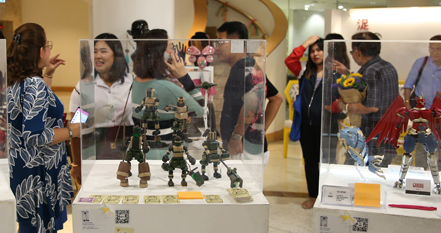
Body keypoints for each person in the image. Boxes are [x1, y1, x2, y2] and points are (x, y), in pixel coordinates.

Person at [7, 23, 79, 233]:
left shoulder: (23, 81)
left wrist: (47, 73)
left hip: (24, 167)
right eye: (47, 45)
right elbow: (35, 136)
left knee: (29, 231)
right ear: (40, 50)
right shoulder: (33, 85)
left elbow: (39, 110)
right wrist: (73, 130)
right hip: (35, 171)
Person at [69, 34, 135, 184]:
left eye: (103, 51)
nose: (98, 56)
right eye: (95, 51)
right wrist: (77, 164)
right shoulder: (84, 88)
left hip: (128, 154)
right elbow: (76, 129)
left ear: (116, 54)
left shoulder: (132, 83)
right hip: (94, 153)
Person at [285, 36, 341, 209]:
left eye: (319, 50)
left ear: (327, 52)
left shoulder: (336, 72)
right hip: (306, 124)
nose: (315, 54)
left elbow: (343, 97)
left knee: (327, 162)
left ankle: (328, 196)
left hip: (327, 124)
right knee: (309, 161)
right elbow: (290, 60)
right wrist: (306, 43)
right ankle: (314, 196)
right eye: (312, 51)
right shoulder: (304, 71)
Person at [214, 21, 282, 161]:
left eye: (221, 42)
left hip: (243, 149)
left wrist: (236, 137)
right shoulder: (250, 66)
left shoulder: (241, 70)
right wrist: (261, 131)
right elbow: (276, 98)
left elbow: (251, 101)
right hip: (251, 146)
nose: (217, 48)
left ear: (236, 42)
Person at [131, 29, 205, 145]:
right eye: (171, 47)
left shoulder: (136, 81)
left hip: (145, 146)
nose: (174, 52)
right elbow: (200, 110)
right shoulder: (166, 87)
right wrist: (185, 78)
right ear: (160, 53)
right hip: (168, 149)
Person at [343, 32, 399, 164]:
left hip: (371, 137)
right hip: (387, 135)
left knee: (360, 179)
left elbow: (372, 107)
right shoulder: (388, 66)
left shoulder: (371, 71)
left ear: (357, 52)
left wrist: (345, 106)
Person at [403, 35, 441, 108]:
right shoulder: (420, 63)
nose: (434, 52)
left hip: (440, 109)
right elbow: (408, 84)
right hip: (420, 107)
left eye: (438, 49)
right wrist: (407, 102)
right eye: (431, 48)